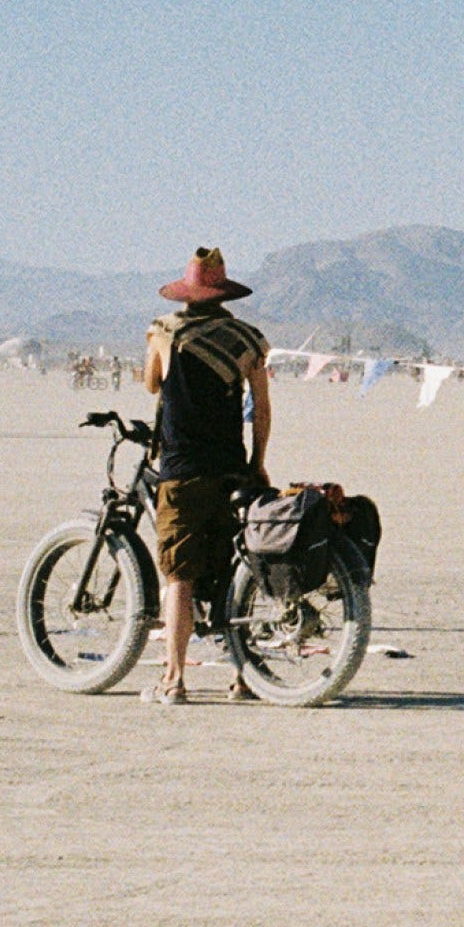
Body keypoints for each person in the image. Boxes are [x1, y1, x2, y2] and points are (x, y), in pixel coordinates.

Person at [139, 247, 273, 705]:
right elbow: (261, 411)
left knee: (179, 575)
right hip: (231, 467)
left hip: (182, 470)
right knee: (233, 566)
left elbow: (152, 384)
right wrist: (257, 463)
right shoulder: (248, 340)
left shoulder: (165, 331)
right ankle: (242, 676)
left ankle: (173, 680)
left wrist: (155, 347)